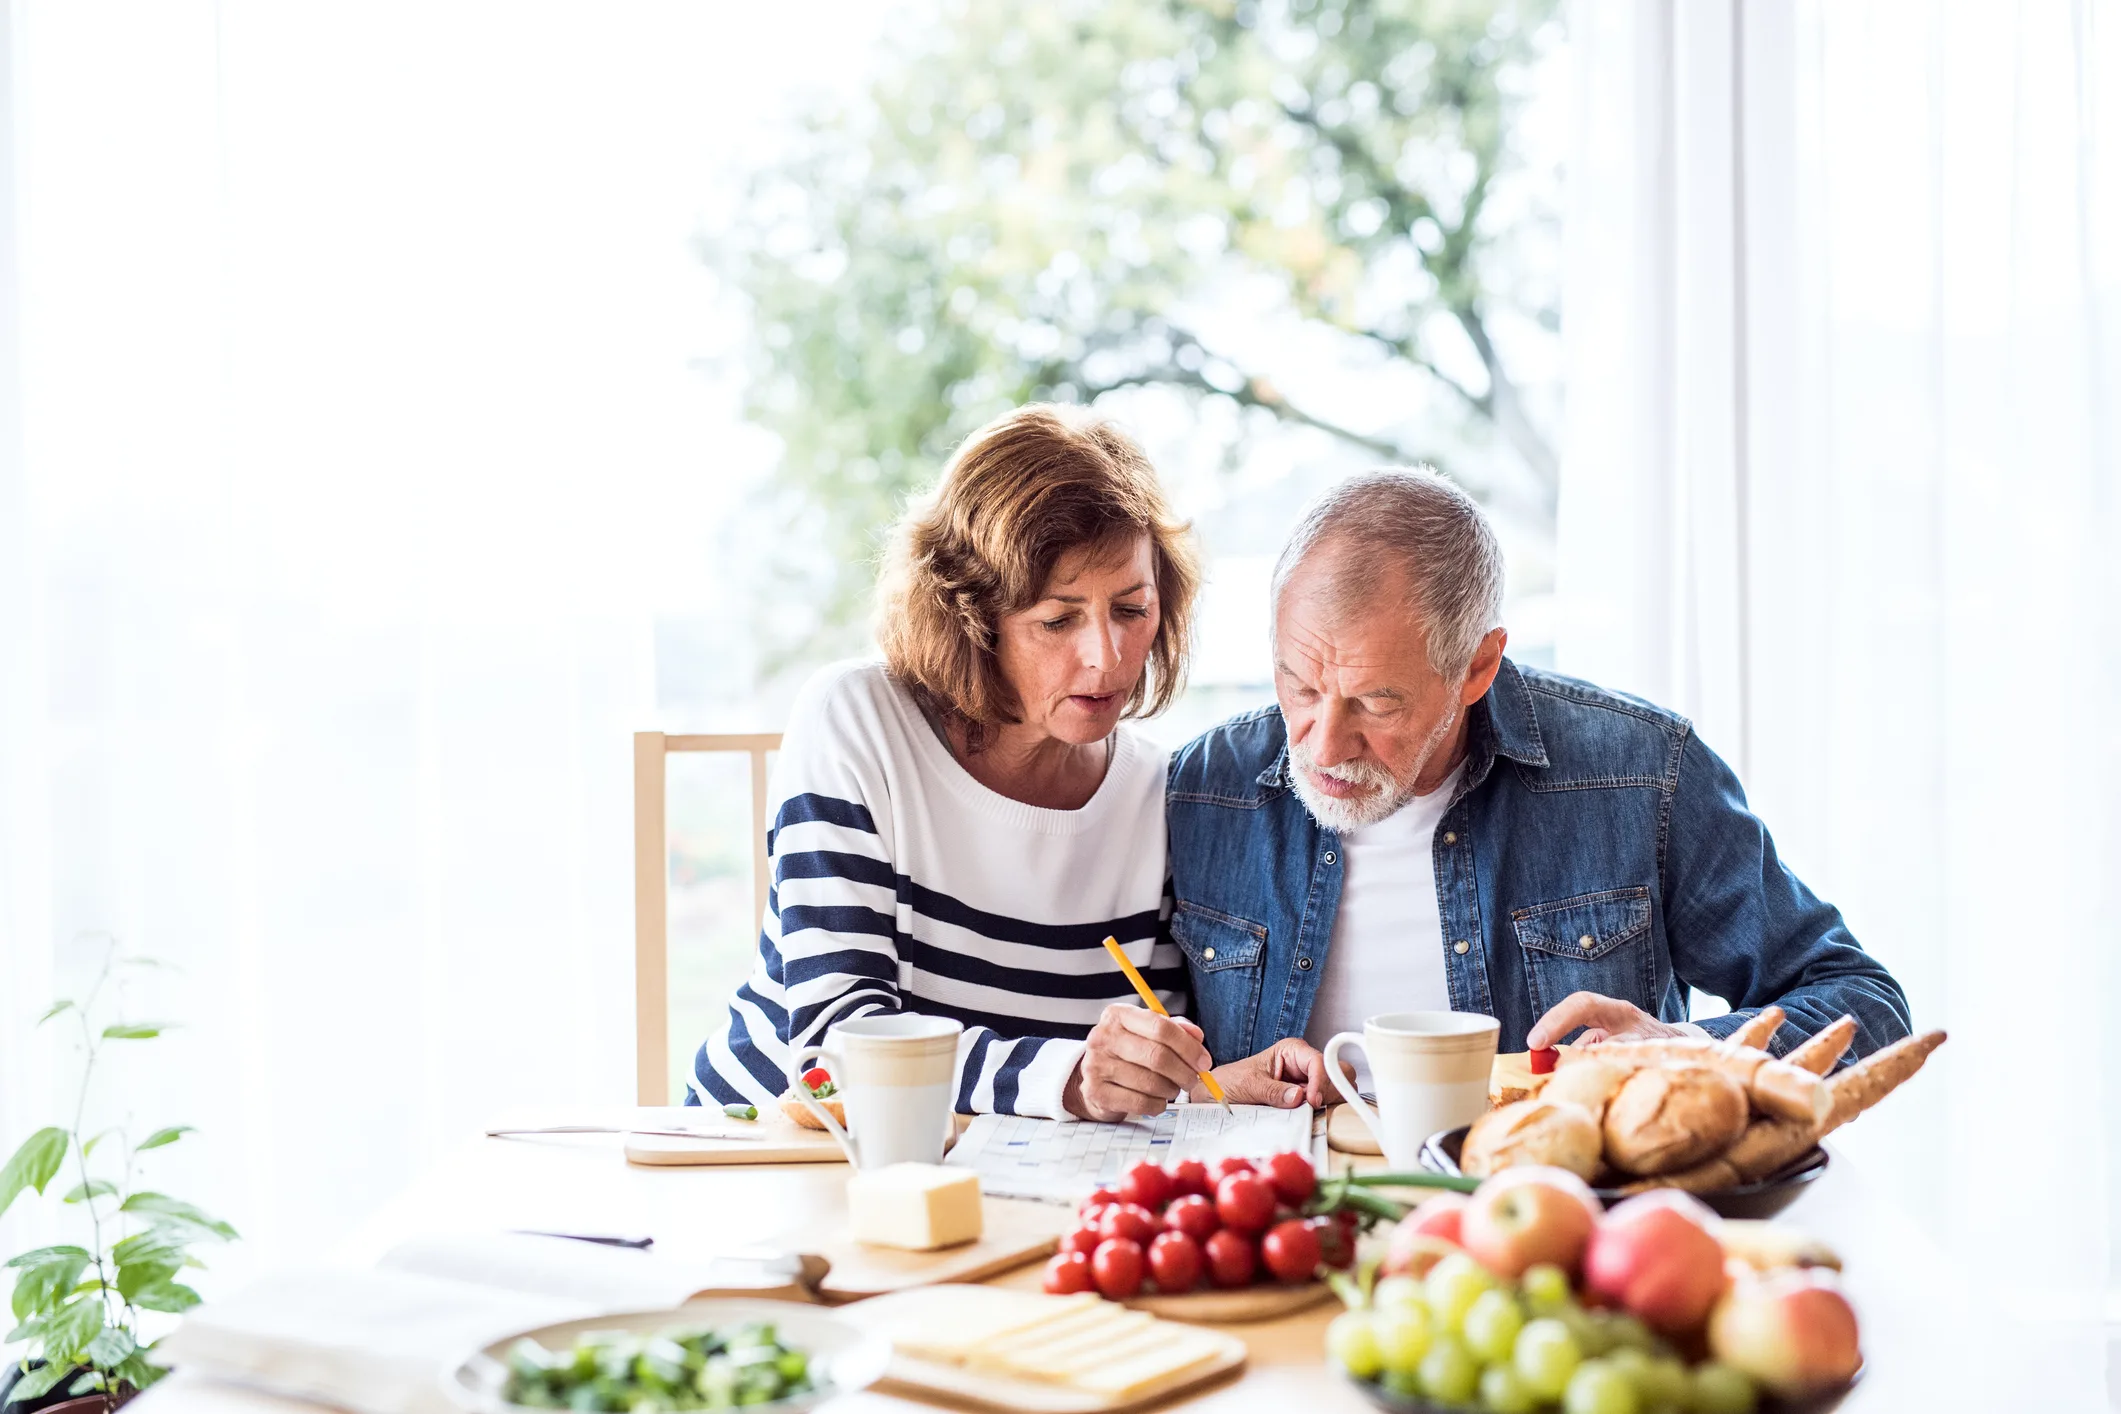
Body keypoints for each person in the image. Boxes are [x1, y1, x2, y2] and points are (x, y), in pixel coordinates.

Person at [1166, 469, 1911, 1083]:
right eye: (1297, 685)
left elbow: (1863, 1004)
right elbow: (1127, 1075)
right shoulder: (1202, 789)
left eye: (1375, 701)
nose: (1323, 743)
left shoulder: (1639, 773)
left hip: (1566, 1224)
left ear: (1477, 666)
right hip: (1278, 1236)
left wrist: (1682, 1054)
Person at [695, 405, 1326, 1120]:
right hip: (762, 1150)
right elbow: (834, 1053)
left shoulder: (1156, 794)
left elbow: (1117, 1074)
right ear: (969, 615)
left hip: (995, 1176)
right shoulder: (858, 720)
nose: (1107, 656)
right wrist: (1068, 1080)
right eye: (1057, 619)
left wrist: (1202, 1083)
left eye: (1131, 609)